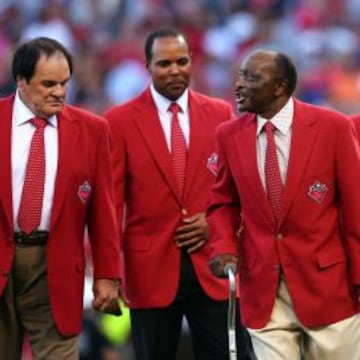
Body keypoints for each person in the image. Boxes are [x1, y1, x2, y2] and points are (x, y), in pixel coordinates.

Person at [105, 27, 253, 360]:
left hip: (213, 265)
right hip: (149, 270)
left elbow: (238, 191)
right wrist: (109, 272)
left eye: (182, 61)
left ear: (192, 62)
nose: (174, 70)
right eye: (164, 63)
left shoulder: (220, 113)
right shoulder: (119, 121)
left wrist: (215, 226)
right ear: (147, 66)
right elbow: (110, 205)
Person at [207, 49, 360, 360]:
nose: (238, 84)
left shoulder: (333, 127)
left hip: (329, 287)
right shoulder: (227, 135)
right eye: (240, 75)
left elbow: (356, 207)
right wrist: (223, 247)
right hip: (264, 290)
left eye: (250, 77)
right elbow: (223, 204)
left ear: (280, 86)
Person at [0, 37, 125, 360]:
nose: (59, 91)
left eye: (64, 82)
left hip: (55, 264)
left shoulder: (93, 130)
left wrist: (108, 276)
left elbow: (103, 213)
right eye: (48, 83)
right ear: (21, 82)